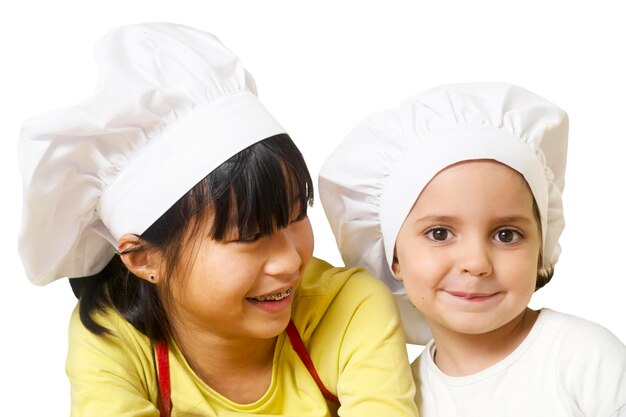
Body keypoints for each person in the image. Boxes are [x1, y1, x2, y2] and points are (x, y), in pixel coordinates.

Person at [18, 23, 418, 417]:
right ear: (142, 259)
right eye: (249, 236)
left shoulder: (347, 308)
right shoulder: (112, 335)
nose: (290, 262)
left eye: (296, 216)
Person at [319, 83, 626, 416]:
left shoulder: (586, 360)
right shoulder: (399, 400)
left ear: (542, 248)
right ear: (393, 258)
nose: (476, 263)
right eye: (439, 233)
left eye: (506, 235)